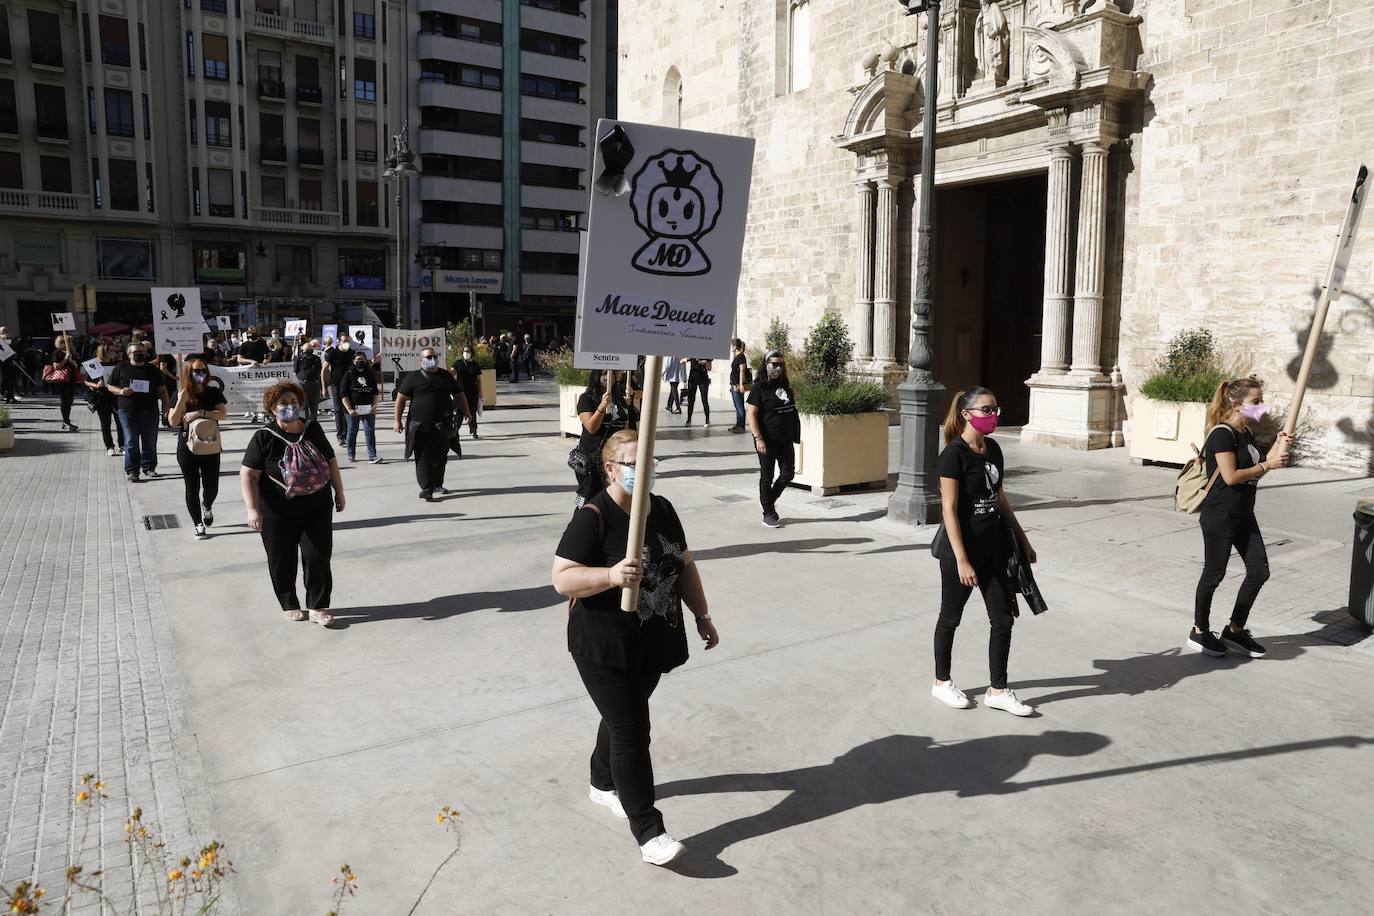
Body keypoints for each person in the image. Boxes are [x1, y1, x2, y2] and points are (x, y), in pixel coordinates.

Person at [552, 429, 720, 867]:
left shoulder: (662, 509)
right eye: (633, 464)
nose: (644, 471)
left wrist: (702, 615)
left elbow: (684, 566)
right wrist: (609, 576)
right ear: (610, 469)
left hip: (653, 638)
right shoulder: (594, 515)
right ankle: (649, 831)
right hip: (602, 644)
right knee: (632, 729)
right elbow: (562, 578)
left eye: (650, 463)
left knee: (621, 715)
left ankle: (601, 781)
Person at [930, 386, 1037, 717]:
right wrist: (962, 559)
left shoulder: (993, 450)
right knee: (951, 617)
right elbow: (948, 510)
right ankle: (941, 682)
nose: (993, 416)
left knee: (1003, 619)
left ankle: (998, 690)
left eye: (995, 410)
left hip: (994, 549)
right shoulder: (953, 455)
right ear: (966, 414)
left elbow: (1000, 497)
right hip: (960, 552)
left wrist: (1023, 539)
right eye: (987, 410)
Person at [1190, 376, 1293, 658]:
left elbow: (1261, 466)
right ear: (1237, 404)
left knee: (1259, 571)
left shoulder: (1245, 432)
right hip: (1220, 515)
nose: (1261, 406)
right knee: (1214, 574)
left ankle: (1235, 630)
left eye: (1261, 401)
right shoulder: (1222, 434)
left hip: (1243, 514)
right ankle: (1199, 631)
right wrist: (1267, 463)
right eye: (1256, 402)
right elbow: (1231, 476)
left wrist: (1278, 445)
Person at [240, 381, 345, 627]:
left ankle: (319, 606)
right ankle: (289, 603)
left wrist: (339, 491)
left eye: (294, 402)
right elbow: (248, 474)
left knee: (317, 555)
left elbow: (330, 461)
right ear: (272, 408)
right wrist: (252, 509)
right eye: (283, 403)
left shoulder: (313, 429)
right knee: (281, 558)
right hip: (277, 511)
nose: (290, 407)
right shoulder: (263, 437)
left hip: (316, 505)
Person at [168, 357, 228, 539]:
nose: (199, 374)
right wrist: (181, 401)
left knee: (212, 487)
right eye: (195, 371)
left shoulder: (213, 392)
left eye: (202, 370)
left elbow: (223, 414)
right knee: (192, 486)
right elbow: (172, 421)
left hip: (210, 445)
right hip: (187, 446)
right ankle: (198, 524)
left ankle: (207, 505)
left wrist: (201, 413)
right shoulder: (181, 393)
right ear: (189, 373)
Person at [395, 346, 467, 500]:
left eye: (433, 356)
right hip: (421, 426)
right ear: (421, 360)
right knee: (423, 457)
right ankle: (427, 487)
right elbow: (400, 399)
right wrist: (397, 420)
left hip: (444, 425)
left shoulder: (445, 375)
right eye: (428, 357)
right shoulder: (413, 378)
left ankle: (437, 484)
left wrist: (467, 412)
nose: (431, 359)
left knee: (441, 457)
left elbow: (459, 394)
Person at [746, 350, 800, 528]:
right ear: (766, 364)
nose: (778, 367)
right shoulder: (759, 388)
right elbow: (752, 414)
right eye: (774, 364)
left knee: (788, 474)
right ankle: (768, 513)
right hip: (767, 440)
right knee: (767, 477)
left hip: (785, 439)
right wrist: (758, 438)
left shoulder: (785, 384)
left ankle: (768, 500)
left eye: (781, 364)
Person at [108, 342, 170, 482]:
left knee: (150, 440)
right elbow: (110, 386)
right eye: (136, 351)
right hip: (127, 411)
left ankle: (149, 468)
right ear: (129, 354)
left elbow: (162, 389)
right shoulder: (121, 367)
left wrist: (166, 405)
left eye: (142, 351)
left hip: (149, 410)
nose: (140, 354)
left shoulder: (153, 370)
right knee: (131, 441)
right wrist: (121, 391)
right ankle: (132, 471)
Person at [574, 370, 637, 508]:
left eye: (611, 374)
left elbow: (629, 428)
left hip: (615, 458)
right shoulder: (587, 398)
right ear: (596, 376)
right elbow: (591, 427)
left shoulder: (619, 399)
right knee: (591, 499)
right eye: (603, 374)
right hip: (593, 460)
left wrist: (630, 404)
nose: (608, 378)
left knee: (614, 497)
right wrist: (602, 406)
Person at [84, 339, 125, 455]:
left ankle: (122, 445)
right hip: (101, 396)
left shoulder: (115, 363)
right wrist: (96, 385)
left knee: (120, 421)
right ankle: (109, 446)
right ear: (103, 352)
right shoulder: (94, 364)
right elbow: (86, 381)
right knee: (105, 422)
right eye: (110, 351)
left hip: (115, 395)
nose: (113, 353)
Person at [340, 349, 381, 464]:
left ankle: (372, 456)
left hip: (368, 408)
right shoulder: (348, 374)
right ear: (354, 361)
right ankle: (351, 454)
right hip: (352, 409)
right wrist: (349, 409)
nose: (360, 361)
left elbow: (375, 392)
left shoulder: (370, 374)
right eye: (358, 359)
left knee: (369, 431)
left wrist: (374, 406)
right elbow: (343, 393)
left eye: (362, 359)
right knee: (352, 431)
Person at [322, 335, 356, 445]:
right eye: (344, 341)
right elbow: (324, 370)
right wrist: (324, 388)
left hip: (349, 385)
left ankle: (346, 434)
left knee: (348, 409)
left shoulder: (352, 353)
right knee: (338, 409)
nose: (346, 343)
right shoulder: (333, 353)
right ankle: (340, 435)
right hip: (336, 384)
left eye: (348, 341)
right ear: (339, 342)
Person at [43, 335, 80, 431]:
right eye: (68, 342)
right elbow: (56, 367)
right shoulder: (57, 353)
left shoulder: (71, 352)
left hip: (71, 378)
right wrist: (65, 359)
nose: (70, 344)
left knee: (70, 400)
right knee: (65, 400)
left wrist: (72, 361)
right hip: (62, 380)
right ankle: (65, 421)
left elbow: (76, 365)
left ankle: (67, 421)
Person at [453, 345, 482, 438]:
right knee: (459, 412)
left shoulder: (475, 364)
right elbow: (451, 372)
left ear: (471, 353)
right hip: (460, 392)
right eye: (464, 351)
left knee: (472, 411)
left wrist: (480, 392)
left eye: (468, 351)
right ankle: (456, 431)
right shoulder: (458, 363)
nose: (466, 353)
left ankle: (474, 430)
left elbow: (479, 380)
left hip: (472, 392)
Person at [294, 338, 324, 423]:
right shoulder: (299, 359)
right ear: (303, 350)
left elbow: (320, 371)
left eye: (310, 349)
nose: (308, 351)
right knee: (303, 406)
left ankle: (313, 423)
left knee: (314, 406)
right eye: (306, 350)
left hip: (314, 384)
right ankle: (304, 423)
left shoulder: (317, 359)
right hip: (302, 384)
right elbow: (295, 372)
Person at [728, 338, 751, 432]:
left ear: (735, 346)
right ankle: (738, 424)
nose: (731, 348)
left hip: (738, 385)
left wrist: (741, 384)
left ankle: (741, 427)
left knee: (740, 406)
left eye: (732, 345)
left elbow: (742, 370)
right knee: (737, 406)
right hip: (734, 385)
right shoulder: (737, 356)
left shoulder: (741, 357)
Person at [684, 357, 712, 428]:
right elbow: (683, 360)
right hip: (692, 380)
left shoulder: (706, 355)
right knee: (691, 400)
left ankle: (707, 420)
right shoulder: (692, 354)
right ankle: (689, 420)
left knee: (704, 400)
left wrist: (705, 362)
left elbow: (709, 368)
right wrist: (686, 359)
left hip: (703, 380)